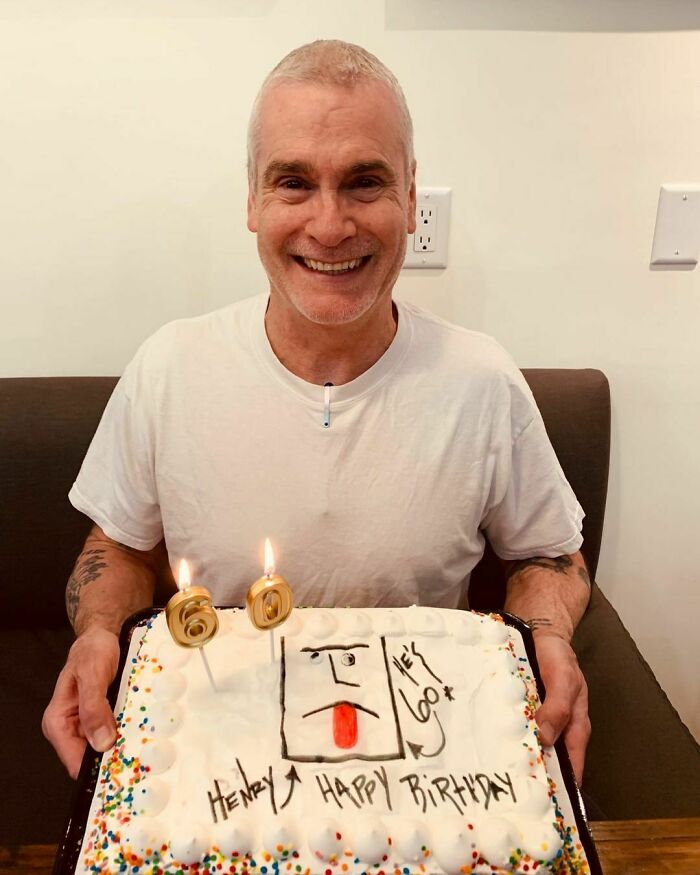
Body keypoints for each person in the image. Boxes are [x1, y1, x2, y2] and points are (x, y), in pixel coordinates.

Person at [42, 40, 591, 786]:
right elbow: (121, 548)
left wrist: (548, 637)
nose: (330, 226)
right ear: (252, 200)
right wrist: (99, 630)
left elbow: (547, 555)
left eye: (365, 182)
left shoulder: (482, 381)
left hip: (424, 767)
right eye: (294, 183)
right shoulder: (169, 368)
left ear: (410, 196)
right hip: (220, 760)